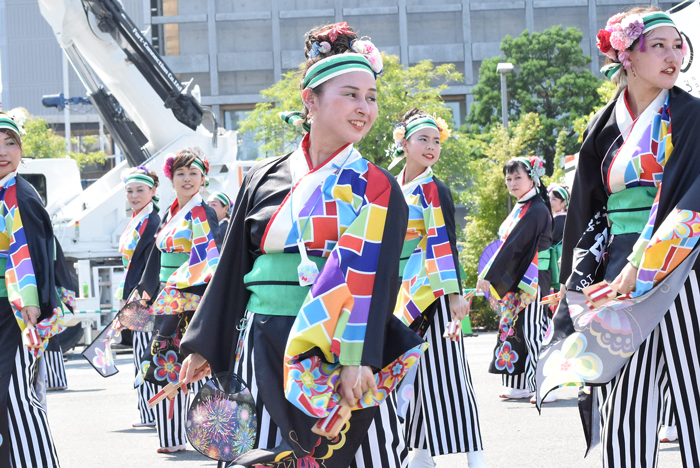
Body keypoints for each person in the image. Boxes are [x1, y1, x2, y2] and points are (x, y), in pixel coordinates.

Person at [180, 22, 425, 468]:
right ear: (310, 100)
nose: (364, 107)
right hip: (263, 341)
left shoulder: (380, 186)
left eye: (371, 97)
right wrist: (206, 344)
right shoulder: (261, 177)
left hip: (340, 345)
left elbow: (379, 281)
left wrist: (360, 357)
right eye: (350, 94)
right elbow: (233, 267)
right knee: (265, 453)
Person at [539, 7, 699, 467]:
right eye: (660, 46)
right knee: (625, 391)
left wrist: (643, 262)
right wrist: (575, 282)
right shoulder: (604, 125)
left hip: (682, 269)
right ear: (626, 55)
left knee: (693, 383)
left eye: (679, 45)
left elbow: (693, 195)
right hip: (616, 276)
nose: (674, 55)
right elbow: (589, 211)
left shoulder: (691, 116)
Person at [389, 108, 486, 468]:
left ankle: (476, 455)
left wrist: (456, 293)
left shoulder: (436, 189)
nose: (431, 147)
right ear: (404, 142)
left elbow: (447, 240)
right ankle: (421, 453)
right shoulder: (391, 185)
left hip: (435, 290)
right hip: (400, 288)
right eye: (423, 139)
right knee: (410, 373)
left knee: (449, 375)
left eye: (436, 141)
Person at [131, 148, 219, 453]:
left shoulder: (201, 211)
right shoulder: (172, 212)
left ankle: (204, 435)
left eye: (193, 173)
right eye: (180, 173)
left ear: (203, 179)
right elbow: (157, 253)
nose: (186, 178)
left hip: (188, 298)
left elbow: (208, 258)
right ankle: (172, 438)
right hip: (168, 296)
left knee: (185, 366)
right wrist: (149, 287)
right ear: (171, 178)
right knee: (165, 364)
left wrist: (178, 291)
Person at [0, 112, 62, 467]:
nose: (3, 151)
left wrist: (32, 304)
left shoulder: (21, 194)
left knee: (17, 394)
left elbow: (34, 257)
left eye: (11, 143)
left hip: (18, 311)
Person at [476, 156, 555, 402]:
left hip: (532, 276)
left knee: (533, 331)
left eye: (518, 177)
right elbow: (508, 244)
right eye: (508, 178)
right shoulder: (522, 206)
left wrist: (490, 274)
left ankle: (546, 384)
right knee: (514, 329)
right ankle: (520, 383)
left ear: (532, 177)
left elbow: (514, 243)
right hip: (518, 275)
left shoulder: (537, 208)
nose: (512, 182)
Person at [115, 166, 161, 428]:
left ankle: (150, 412)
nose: (134, 195)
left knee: (146, 353)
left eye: (140, 190)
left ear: (153, 191)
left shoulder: (152, 222)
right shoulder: (138, 219)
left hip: (145, 297)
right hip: (135, 295)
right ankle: (147, 410)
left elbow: (148, 266)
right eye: (130, 190)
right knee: (141, 352)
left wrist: (138, 296)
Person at [44, 238, 79, 392]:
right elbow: (61, 269)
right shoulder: (46, 231)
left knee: (48, 334)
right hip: (48, 288)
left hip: (45, 289)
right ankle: (55, 379)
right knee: (49, 334)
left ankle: (54, 379)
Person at [547, 184, 569, 294]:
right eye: (549, 199)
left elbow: (551, 238)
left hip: (559, 256)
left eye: (554, 199)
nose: (550, 202)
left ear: (563, 202)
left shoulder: (560, 219)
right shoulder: (568, 218)